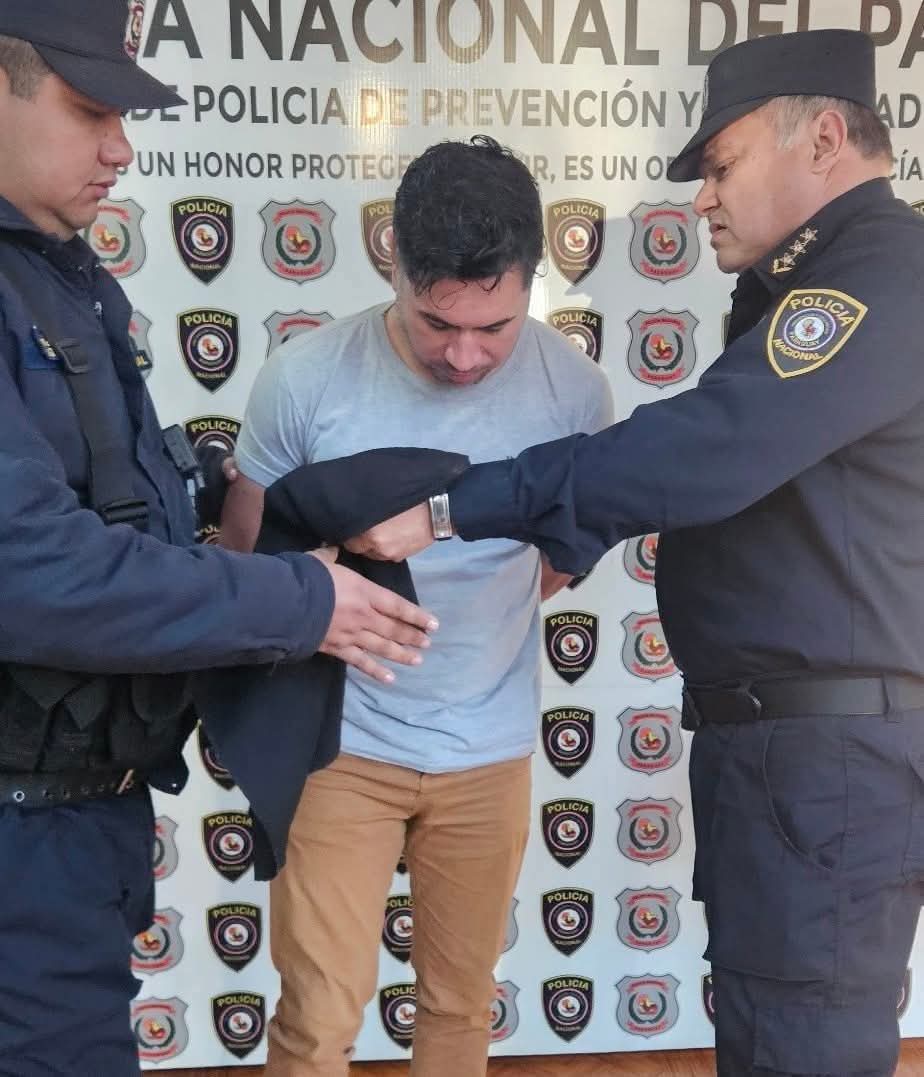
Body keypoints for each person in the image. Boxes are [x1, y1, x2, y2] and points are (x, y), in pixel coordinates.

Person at [350, 29, 924, 1077]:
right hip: (799, 752)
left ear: (824, 140)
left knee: (800, 1048)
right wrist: (566, 523)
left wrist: (455, 509)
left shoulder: (879, 276)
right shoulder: (830, 281)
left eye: (723, 164)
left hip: (826, 758)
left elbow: (714, 446)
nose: (703, 199)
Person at [0, 3, 434, 1072]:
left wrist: (229, 496)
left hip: (73, 826)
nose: (120, 148)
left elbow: (103, 499)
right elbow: (32, 570)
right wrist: (304, 604)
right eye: (91, 110)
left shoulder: (60, 276)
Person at [220, 135, 613, 1076]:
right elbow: (243, 557)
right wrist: (331, 586)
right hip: (340, 748)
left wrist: (484, 608)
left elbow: (567, 555)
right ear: (392, 260)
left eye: (496, 327)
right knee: (316, 1019)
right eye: (438, 323)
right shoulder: (306, 378)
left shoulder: (575, 390)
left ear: (533, 278)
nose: (466, 356)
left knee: (460, 1008)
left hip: (489, 753)